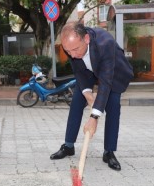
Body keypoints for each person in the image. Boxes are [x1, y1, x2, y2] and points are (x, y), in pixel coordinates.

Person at [50, 22, 133, 171]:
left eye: (75, 49)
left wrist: (94, 117)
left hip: (114, 74)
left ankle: (109, 152)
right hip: (88, 72)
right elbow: (78, 71)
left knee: (113, 106)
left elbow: (106, 83)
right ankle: (68, 146)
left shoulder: (105, 43)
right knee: (76, 101)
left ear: (86, 39)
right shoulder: (70, 45)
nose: (72, 55)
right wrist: (87, 93)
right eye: (69, 51)